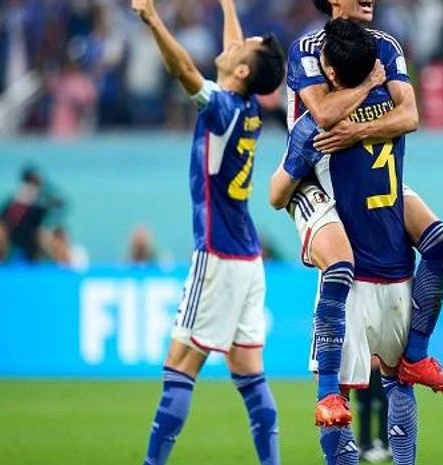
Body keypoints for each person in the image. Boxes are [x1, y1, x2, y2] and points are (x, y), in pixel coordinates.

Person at [275, 0, 443, 426]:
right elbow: (322, 115)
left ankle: (416, 354)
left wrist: (357, 130)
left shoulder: (386, 44)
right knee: (340, 266)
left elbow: (410, 115)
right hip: (314, 175)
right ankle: (328, 392)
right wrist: (369, 88)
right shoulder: (307, 48)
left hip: (372, 167)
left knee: (439, 239)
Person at [130, 1, 285, 464]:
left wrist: (152, 19)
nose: (235, 41)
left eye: (243, 46)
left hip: (217, 256)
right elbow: (233, 52)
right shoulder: (248, 106)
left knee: (180, 366)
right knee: (249, 373)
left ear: (240, 70)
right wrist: (228, 4)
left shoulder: (220, 107)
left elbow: (182, 71)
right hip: (248, 258)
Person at [273, 18, 420, 465]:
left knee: (335, 394)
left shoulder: (313, 126)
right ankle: (423, 353)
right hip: (392, 255)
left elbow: (277, 194)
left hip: (350, 258)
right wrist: (376, 82)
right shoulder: (389, 103)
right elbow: (411, 117)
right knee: (400, 378)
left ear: (330, 73)